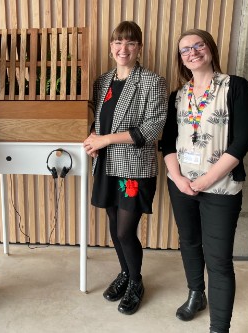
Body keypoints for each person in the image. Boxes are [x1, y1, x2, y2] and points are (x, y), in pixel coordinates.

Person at [161, 29, 248, 333]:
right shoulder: (178, 95)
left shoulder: (235, 87)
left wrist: (204, 181)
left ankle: (219, 328)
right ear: (181, 59)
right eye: (185, 49)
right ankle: (195, 294)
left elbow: (242, 141)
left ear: (210, 48)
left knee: (219, 260)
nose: (192, 52)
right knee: (188, 243)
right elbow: (167, 143)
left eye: (198, 45)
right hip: (181, 186)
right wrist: (178, 178)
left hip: (220, 188)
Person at [83, 21, 167, 315]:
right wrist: (93, 138)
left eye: (130, 43)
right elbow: (97, 120)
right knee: (112, 225)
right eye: (118, 42)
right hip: (105, 163)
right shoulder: (101, 81)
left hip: (134, 167)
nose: (123, 48)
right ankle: (124, 273)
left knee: (124, 231)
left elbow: (153, 127)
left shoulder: (152, 82)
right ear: (111, 46)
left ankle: (136, 282)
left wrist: (104, 139)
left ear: (139, 48)